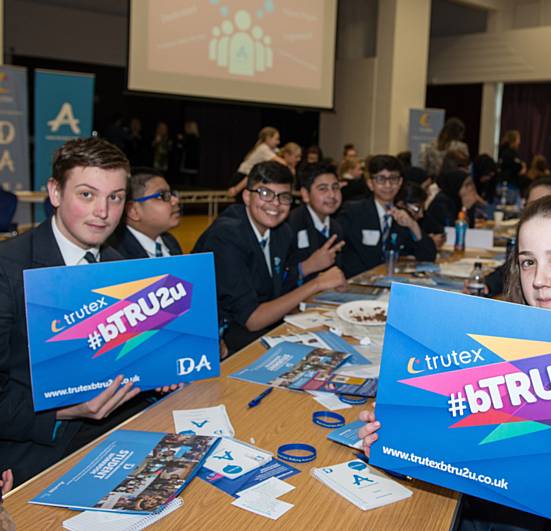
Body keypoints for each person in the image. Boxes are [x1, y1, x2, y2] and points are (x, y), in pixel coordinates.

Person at [359, 187, 551, 528]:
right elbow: (453, 462)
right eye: (528, 261)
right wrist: (398, 444)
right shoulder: (490, 348)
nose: (538, 280)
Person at [0, 138, 160, 486]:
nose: (103, 212)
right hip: (39, 449)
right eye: (87, 195)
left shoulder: (126, 267)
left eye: (115, 197)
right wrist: (66, 409)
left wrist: (160, 368)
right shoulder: (8, 269)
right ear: (55, 193)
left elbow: (126, 361)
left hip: (122, 429)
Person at [193, 161, 346, 353]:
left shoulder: (281, 232)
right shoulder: (226, 236)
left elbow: (281, 288)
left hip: (260, 323)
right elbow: (252, 320)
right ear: (247, 196)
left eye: (284, 196)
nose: (275, 203)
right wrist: (317, 283)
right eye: (265, 194)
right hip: (219, 336)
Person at [338, 155, 437, 278]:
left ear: (400, 182)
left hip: (392, 283)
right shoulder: (353, 212)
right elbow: (344, 256)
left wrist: (413, 225)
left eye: (393, 179)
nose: (388, 185)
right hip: (359, 283)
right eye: (381, 179)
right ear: (370, 183)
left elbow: (429, 257)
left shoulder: (403, 214)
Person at [108, 168, 182, 259]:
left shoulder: (169, 241)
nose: (175, 200)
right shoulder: (115, 255)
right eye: (161, 196)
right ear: (133, 211)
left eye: (171, 194)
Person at [288, 164, 345, 280]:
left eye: (335, 187)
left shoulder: (336, 227)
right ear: (305, 194)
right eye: (323, 189)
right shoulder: (290, 224)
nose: (332, 195)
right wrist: (307, 267)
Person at [228, 127, 286, 198]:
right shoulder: (263, 148)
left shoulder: (271, 149)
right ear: (268, 138)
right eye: (276, 139)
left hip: (248, 179)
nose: (278, 142)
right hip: (242, 178)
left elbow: (281, 152)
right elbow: (283, 163)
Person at [394, 181, 445, 249]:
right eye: (417, 209)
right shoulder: (392, 224)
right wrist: (429, 242)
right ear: (401, 205)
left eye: (422, 209)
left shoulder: (421, 219)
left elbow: (440, 231)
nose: (421, 215)